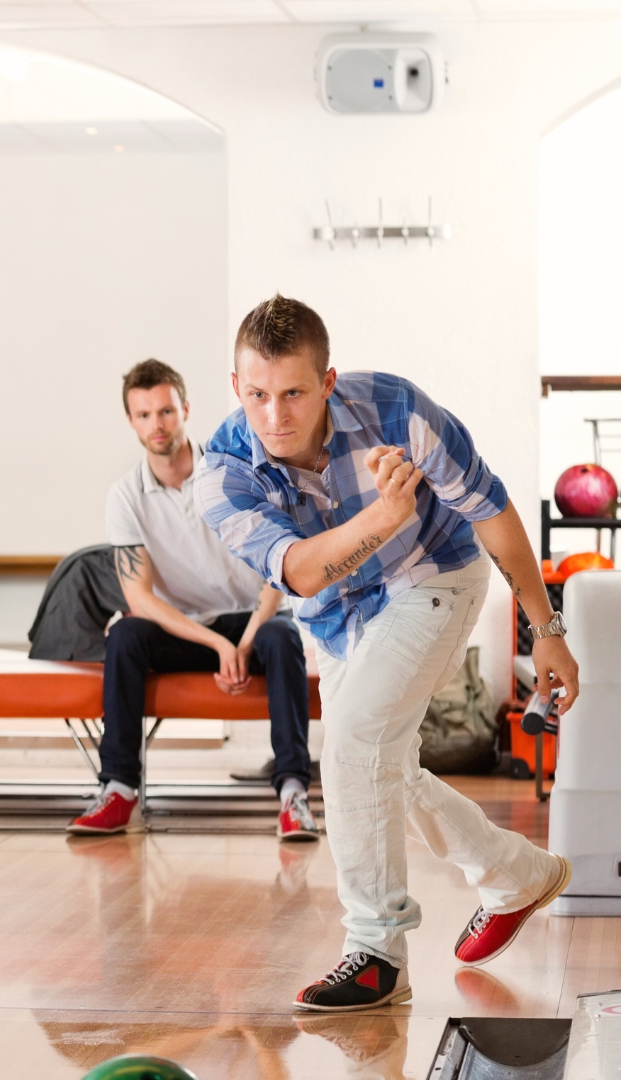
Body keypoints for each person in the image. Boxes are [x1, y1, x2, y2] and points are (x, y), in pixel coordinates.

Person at [196, 295, 579, 1012]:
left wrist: (547, 629)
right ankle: (517, 874)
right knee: (382, 772)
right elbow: (302, 572)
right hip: (333, 615)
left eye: (293, 393)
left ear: (328, 382)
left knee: (351, 746)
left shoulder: (397, 409)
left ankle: (375, 951)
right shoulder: (222, 472)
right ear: (235, 387)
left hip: (432, 576)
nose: (274, 415)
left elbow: (491, 511)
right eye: (256, 394)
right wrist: (382, 514)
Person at [69, 359, 318, 841]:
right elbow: (139, 598)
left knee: (283, 635)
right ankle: (119, 788)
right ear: (131, 421)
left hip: (255, 620)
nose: (156, 425)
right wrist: (217, 646)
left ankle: (293, 794)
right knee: (124, 633)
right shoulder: (125, 497)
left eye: (165, 411)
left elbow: (280, 564)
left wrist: (241, 643)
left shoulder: (232, 470)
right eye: (143, 415)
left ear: (185, 409)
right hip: (187, 630)